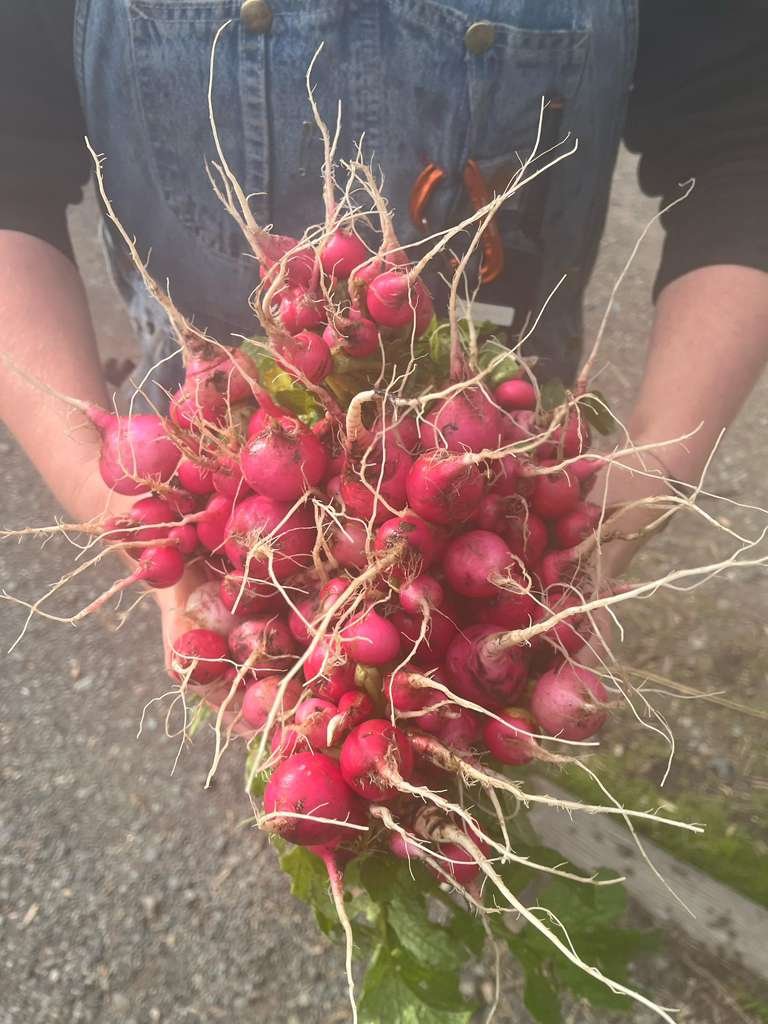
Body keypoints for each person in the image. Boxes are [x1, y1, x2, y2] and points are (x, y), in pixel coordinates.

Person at [2, 1, 768, 659]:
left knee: (464, 698)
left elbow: (742, 143)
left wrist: (657, 464)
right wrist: (111, 499)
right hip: (212, 496)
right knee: (282, 699)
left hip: (506, 470)